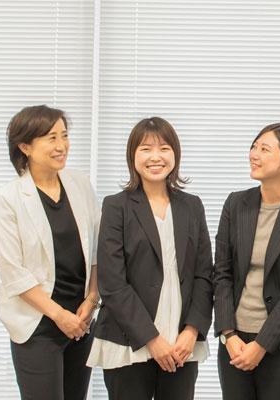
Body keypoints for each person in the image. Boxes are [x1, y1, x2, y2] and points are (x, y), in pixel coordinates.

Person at [87, 117, 214, 400]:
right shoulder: (116, 206)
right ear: (132, 156)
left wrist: (192, 330)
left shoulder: (192, 206)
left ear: (175, 154)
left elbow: (204, 275)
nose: (156, 157)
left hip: (181, 343)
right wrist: (152, 339)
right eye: (145, 149)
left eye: (164, 148)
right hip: (128, 342)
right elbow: (113, 283)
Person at [0, 105, 101, 399]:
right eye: (51, 138)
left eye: (64, 135)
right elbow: (13, 273)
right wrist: (59, 315)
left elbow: (97, 250)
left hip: (81, 319)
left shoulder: (80, 184)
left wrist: (91, 300)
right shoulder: (8, 199)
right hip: (37, 322)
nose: (61, 145)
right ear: (25, 146)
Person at [213, 123, 280, 400]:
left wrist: (262, 344)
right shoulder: (235, 204)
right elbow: (222, 273)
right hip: (236, 342)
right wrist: (228, 334)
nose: (254, 154)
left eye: (265, 149)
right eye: (254, 146)